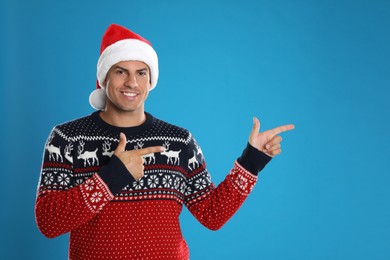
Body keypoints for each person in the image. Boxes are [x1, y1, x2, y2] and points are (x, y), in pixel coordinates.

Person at [35, 24, 295, 260]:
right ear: (104, 78)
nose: (132, 82)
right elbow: (48, 222)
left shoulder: (179, 141)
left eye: (141, 73)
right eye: (120, 71)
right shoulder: (67, 138)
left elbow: (211, 215)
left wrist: (252, 161)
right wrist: (113, 176)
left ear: (151, 81)